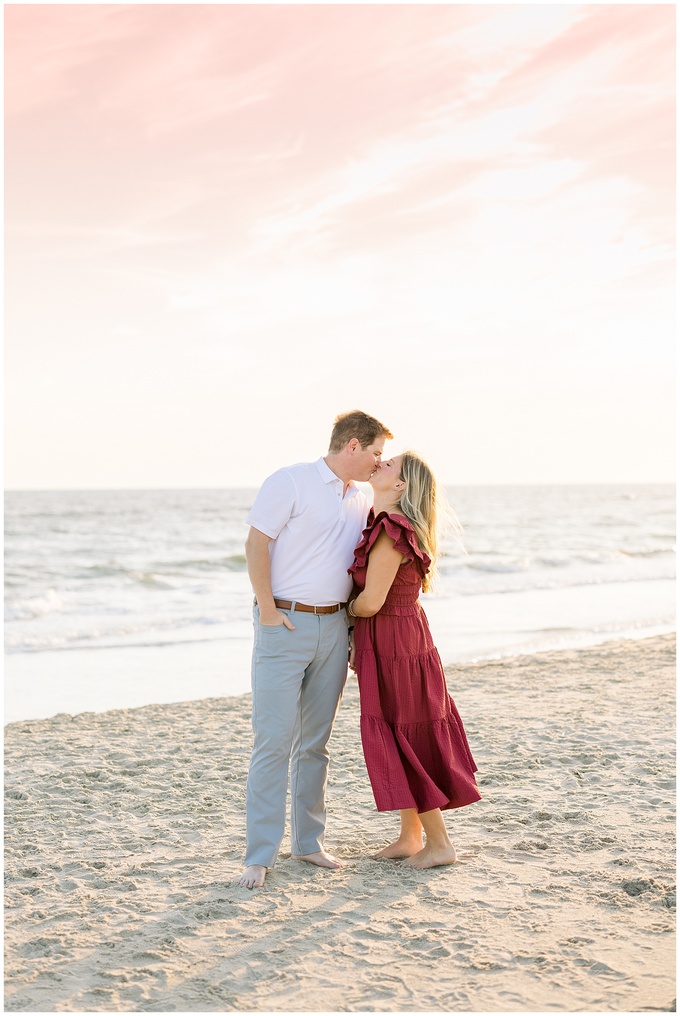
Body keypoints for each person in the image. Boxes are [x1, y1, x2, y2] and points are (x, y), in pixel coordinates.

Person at [236, 410, 393, 890]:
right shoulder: (290, 481)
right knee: (273, 743)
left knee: (314, 745)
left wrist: (349, 629)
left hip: (334, 628)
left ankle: (308, 844)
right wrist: (266, 608)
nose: (377, 463)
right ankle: (259, 855)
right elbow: (256, 544)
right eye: (375, 453)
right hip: (284, 623)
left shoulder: (359, 498)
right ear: (352, 445)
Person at [347, 451, 481, 869]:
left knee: (405, 732)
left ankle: (439, 843)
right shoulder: (385, 525)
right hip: (398, 637)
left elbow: (371, 601)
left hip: (395, 641)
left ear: (400, 486)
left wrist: (337, 611)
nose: (380, 463)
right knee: (394, 727)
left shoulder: (390, 531)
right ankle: (410, 836)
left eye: (389, 465)